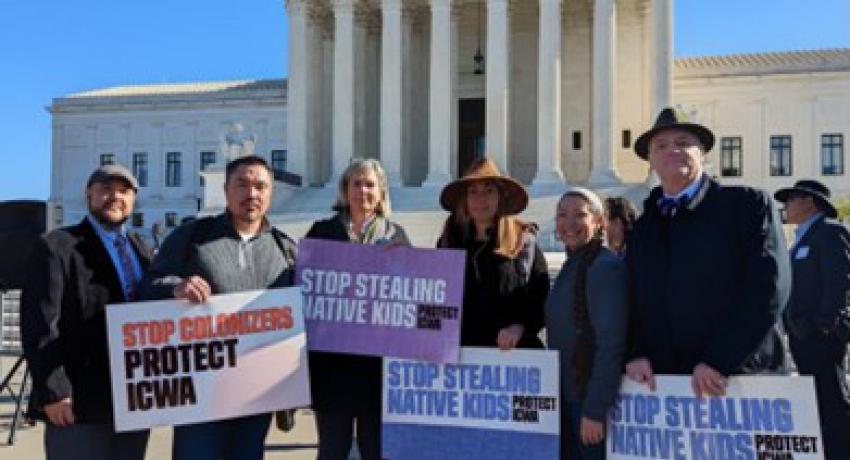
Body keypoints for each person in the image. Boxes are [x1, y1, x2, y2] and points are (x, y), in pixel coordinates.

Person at [139, 155, 297, 460]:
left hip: (256, 390)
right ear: (225, 190)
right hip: (201, 392)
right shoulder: (192, 237)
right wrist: (175, 288)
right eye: (242, 184)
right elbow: (148, 286)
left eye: (260, 186)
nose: (251, 194)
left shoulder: (285, 248)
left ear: (270, 194)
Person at [625, 107, 791, 396]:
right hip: (669, 383)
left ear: (703, 154)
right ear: (650, 162)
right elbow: (633, 298)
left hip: (739, 377)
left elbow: (770, 288)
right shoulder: (644, 227)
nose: (672, 151)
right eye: (661, 146)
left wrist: (719, 359)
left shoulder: (747, 206)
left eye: (682, 143)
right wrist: (635, 352)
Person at [21, 164, 152, 460]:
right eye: (105, 189)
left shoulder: (141, 248)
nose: (114, 196)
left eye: (123, 190)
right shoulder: (57, 246)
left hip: (132, 398)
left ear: (134, 198)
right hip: (77, 402)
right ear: (88, 195)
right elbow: (40, 324)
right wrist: (53, 391)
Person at [304, 159, 409, 460]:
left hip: (377, 367)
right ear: (345, 190)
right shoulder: (322, 232)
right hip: (332, 364)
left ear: (381, 192)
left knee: (375, 448)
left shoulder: (396, 235)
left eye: (370, 184)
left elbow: (412, 294)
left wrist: (407, 259)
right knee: (332, 448)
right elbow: (306, 286)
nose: (363, 190)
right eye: (356, 184)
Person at [545, 187, 628, 460]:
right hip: (571, 397)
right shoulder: (575, 264)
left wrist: (594, 410)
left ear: (598, 221)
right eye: (562, 215)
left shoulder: (604, 268)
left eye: (579, 215)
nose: (569, 224)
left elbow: (611, 344)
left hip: (588, 404)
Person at [436, 158, 549, 349]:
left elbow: (541, 298)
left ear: (500, 197)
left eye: (489, 191)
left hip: (511, 357)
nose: (481, 199)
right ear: (465, 199)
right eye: (473, 192)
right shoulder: (449, 242)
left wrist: (520, 327)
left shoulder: (522, 243)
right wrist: (399, 257)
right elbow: (432, 292)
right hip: (461, 358)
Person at [775, 179, 850, 459]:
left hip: (821, 335)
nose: (786, 206)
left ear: (809, 202)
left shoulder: (830, 232)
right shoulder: (801, 239)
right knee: (817, 398)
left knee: (832, 397)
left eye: (791, 200)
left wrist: (823, 323)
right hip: (801, 334)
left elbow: (839, 282)